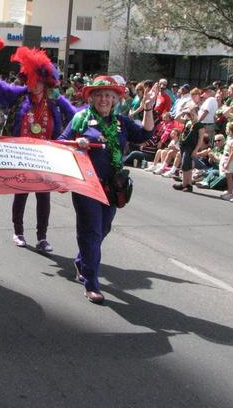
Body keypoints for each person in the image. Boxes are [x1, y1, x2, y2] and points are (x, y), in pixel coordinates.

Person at [58, 76, 155, 304]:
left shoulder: (121, 122)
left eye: (109, 96)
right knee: (91, 231)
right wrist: (77, 142)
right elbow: (61, 142)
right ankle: (91, 283)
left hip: (113, 187)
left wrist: (148, 109)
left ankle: (83, 261)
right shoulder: (81, 118)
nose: (104, 99)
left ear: (115, 100)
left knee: (103, 228)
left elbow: (145, 135)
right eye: (100, 94)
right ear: (91, 97)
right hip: (86, 184)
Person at [0, 46, 76, 253]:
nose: (34, 84)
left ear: (45, 81)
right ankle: (18, 232)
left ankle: (42, 237)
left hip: (45, 155)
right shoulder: (19, 95)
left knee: (43, 196)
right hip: (21, 154)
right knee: (20, 192)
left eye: (38, 81)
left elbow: (77, 117)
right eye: (31, 80)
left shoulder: (55, 101)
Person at [173, 106, 205, 192]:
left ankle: (188, 184)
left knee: (186, 165)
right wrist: (184, 111)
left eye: (192, 112)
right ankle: (184, 184)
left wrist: (196, 150)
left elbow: (200, 139)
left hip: (190, 147)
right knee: (186, 165)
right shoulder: (188, 122)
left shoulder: (199, 125)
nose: (190, 114)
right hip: (183, 145)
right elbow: (176, 118)